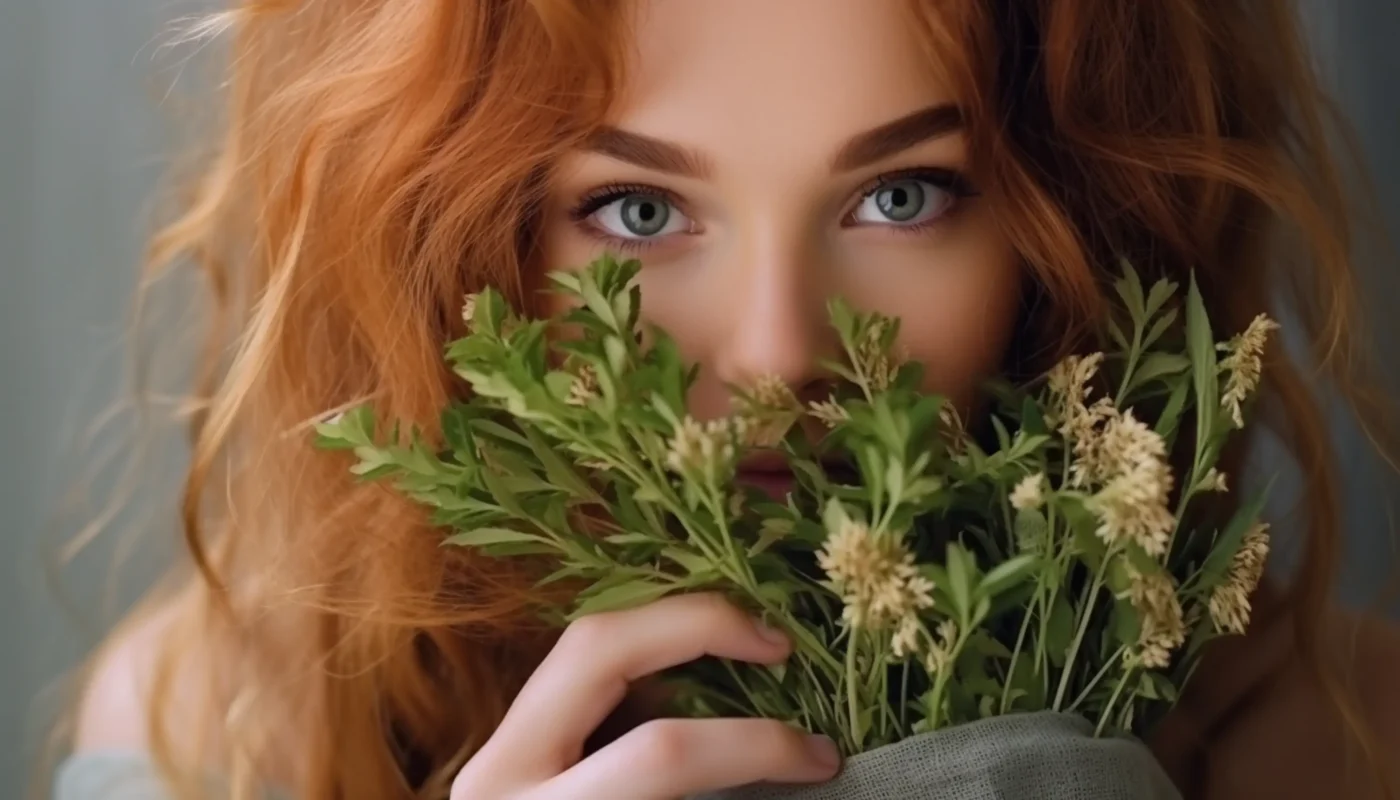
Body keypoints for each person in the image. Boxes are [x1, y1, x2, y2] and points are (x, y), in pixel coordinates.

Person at [61, 1, 1400, 798]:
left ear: (1072, 220)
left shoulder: (1337, 737)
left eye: (901, 195)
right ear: (451, 242)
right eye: (638, 211)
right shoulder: (222, 733)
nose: (773, 357)